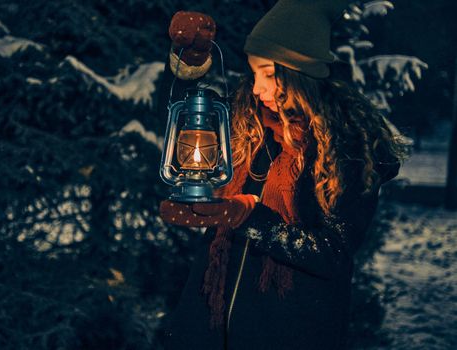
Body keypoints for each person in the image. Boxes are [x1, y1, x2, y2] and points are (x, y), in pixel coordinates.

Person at [157, 1, 403, 349]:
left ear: (299, 74)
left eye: (269, 74)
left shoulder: (348, 149)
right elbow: (183, 113)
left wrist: (252, 219)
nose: (257, 88)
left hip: (288, 332)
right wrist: (191, 60)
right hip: (206, 325)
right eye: (254, 72)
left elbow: (332, 253)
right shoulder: (247, 118)